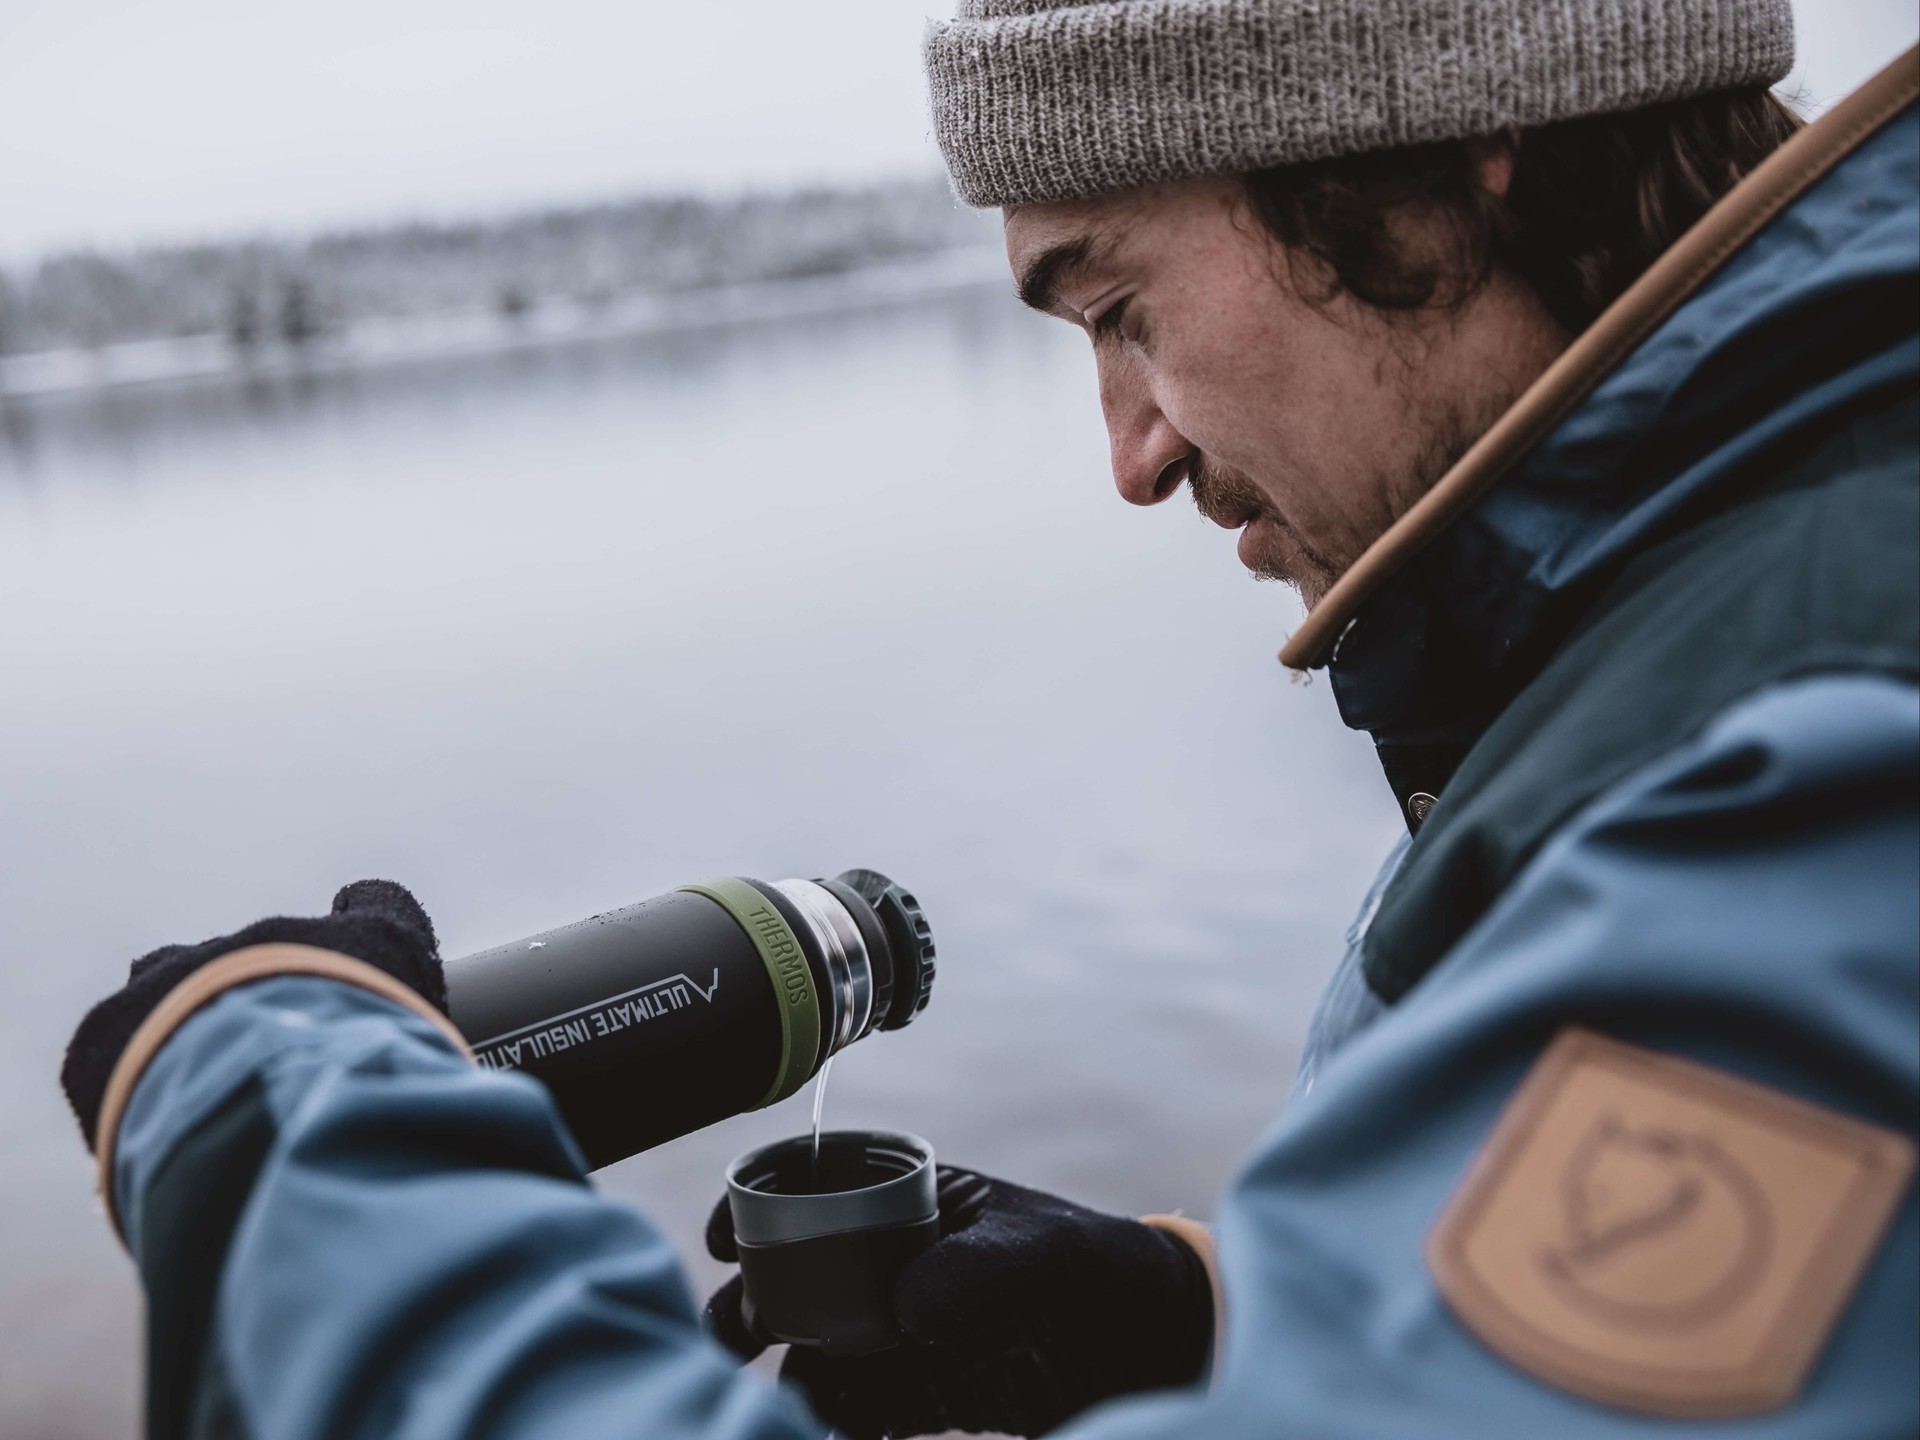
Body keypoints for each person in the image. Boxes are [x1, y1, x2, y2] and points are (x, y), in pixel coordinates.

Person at [62, 4, 1918, 1437]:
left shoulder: (1817, 739)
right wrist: (1223, 1308)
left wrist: (287, 1135)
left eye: (1117, 305)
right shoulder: (1722, 609)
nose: (1130, 453)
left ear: (1452, 124)